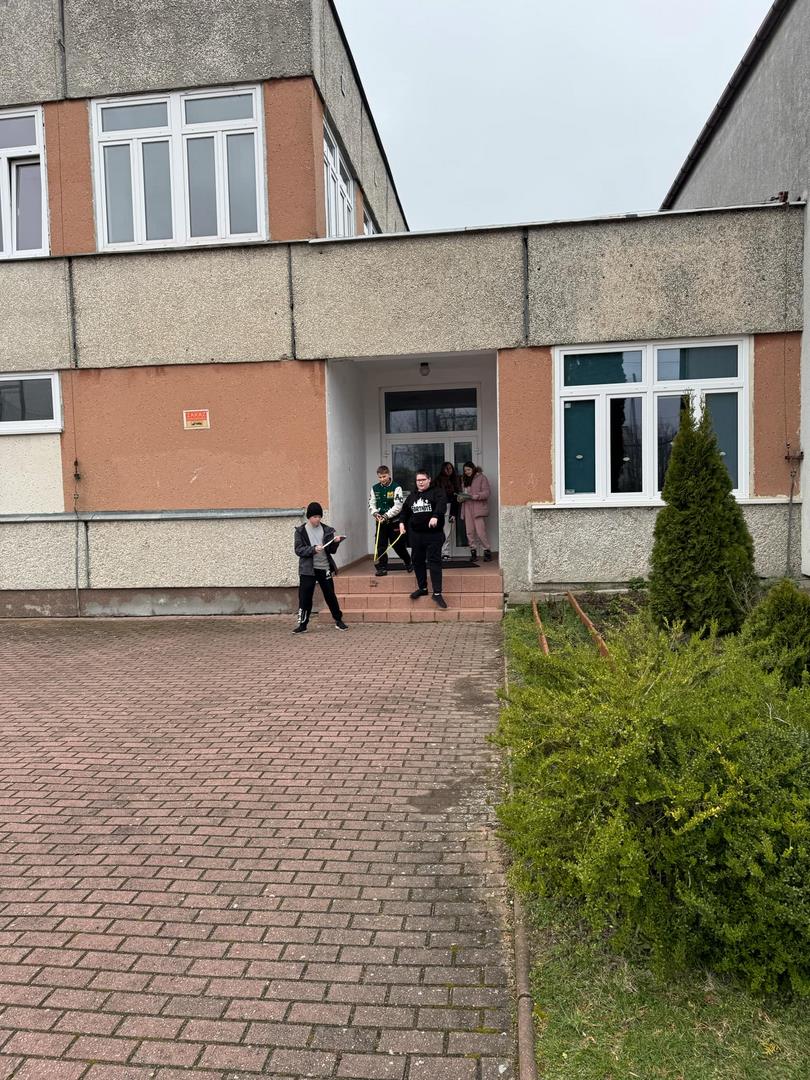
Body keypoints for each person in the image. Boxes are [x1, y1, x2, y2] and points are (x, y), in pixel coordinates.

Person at [293, 502, 348, 633]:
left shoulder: (327, 530)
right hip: (308, 570)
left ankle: (338, 620)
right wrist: (313, 549)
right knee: (305, 597)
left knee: (330, 595)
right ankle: (302, 624)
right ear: (309, 517)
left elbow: (331, 550)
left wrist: (336, 542)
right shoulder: (300, 531)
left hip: (324, 567)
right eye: (315, 517)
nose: (317, 519)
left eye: (319, 516)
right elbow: (298, 550)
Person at [398, 469, 448, 608]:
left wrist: (435, 516)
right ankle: (423, 588)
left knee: (434, 562)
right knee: (417, 561)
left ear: (429, 479)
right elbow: (405, 511)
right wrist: (401, 523)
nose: (420, 482)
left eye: (423, 480)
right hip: (416, 535)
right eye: (418, 480)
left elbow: (441, 505)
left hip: (434, 535)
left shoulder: (437, 492)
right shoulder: (412, 496)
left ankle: (437, 593)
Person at [367, 465, 412, 576]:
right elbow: (371, 504)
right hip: (380, 522)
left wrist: (386, 516)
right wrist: (375, 513)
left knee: (398, 546)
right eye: (380, 477)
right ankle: (382, 568)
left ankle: (408, 561)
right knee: (380, 546)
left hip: (394, 522)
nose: (382, 479)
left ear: (389, 475)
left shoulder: (396, 487)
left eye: (384, 476)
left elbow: (398, 506)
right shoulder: (374, 488)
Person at [460, 461, 492, 562]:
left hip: (477, 507)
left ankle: (487, 551)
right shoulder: (464, 479)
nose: (467, 472)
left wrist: (475, 496)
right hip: (467, 507)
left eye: (469, 470)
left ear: (473, 469)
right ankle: (473, 552)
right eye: (465, 470)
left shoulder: (481, 478)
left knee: (480, 531)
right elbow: (464, 493)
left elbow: (487, 493)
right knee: (469, 532)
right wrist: (461, 497)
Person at [435, 461, 461, 560]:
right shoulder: (437, 481)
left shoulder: (455, 480)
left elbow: (456, 498)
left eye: (450, 468)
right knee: (438, 531)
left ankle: (445, 552)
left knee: (447, 531)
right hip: (439, 508)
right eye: (447, 468)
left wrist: (453, 513)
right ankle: (437, 552)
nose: (449, 470)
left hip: (450, 508)